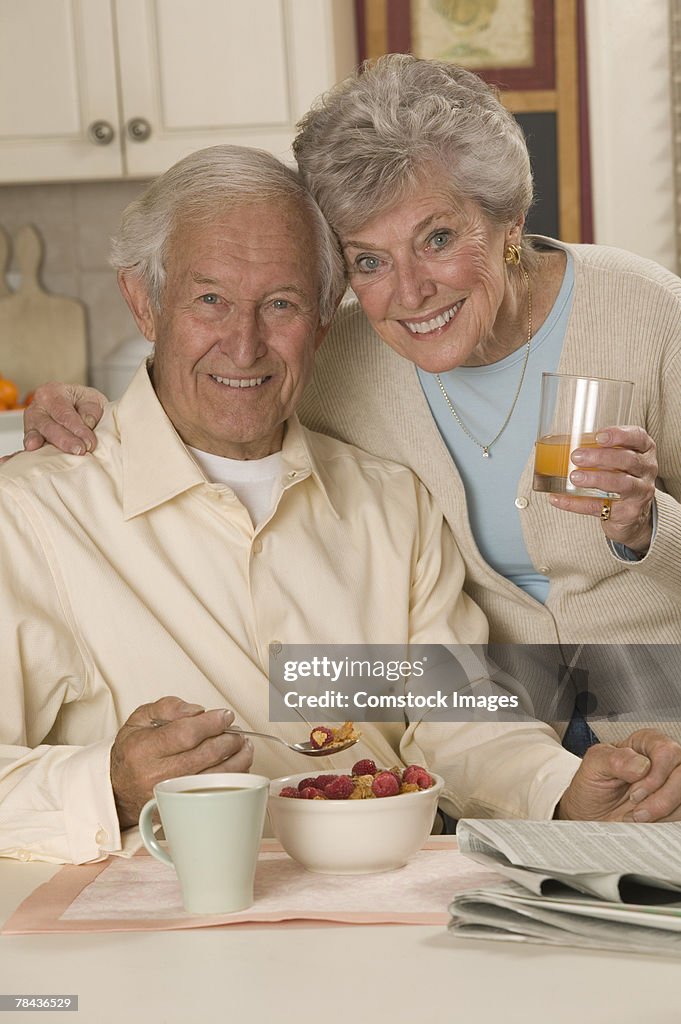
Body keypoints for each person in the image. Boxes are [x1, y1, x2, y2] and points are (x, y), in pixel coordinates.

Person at [26, 56, 680, 761]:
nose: (409, 292)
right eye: (368, 261)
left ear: (507, 220)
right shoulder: (335, 359)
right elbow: (217, 384)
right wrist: (93, 411)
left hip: (664, 717)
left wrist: (648, 525)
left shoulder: (646, 314)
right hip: (497, 752)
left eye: (436, 239)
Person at [1, 142, 629, 866]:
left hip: (384, 917)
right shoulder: (30, 517)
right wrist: (107, 787)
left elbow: (455, 718)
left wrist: (563, 789)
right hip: (168, 939)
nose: (243, 344)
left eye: (280, 304)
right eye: (209, 299)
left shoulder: (389, 503)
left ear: (326, 318)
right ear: (144, 301)